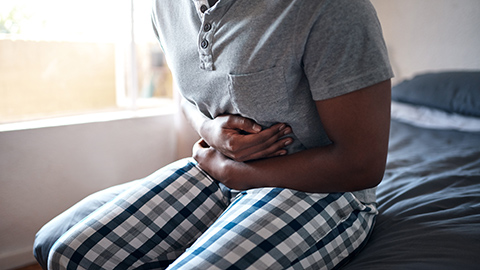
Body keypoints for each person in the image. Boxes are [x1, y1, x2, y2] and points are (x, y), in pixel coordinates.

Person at [34, 0, 394, 269]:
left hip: (322, 189)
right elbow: (188, 92)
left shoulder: (331, 8)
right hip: (220, 171)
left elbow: (362, 163)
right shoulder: (166, 8)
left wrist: (233, 173)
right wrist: (207, 128)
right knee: (70, 255)